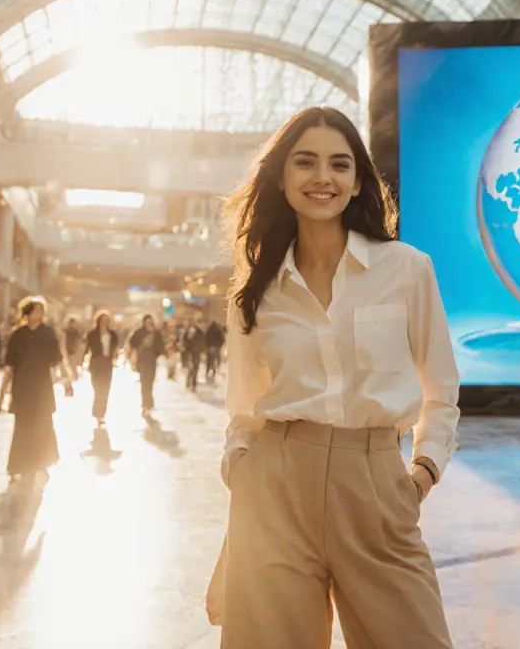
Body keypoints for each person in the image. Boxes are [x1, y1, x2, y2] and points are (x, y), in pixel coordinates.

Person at [209, 107, 459, 647]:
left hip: (375, 486)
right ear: (281, 176)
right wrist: (241, 470)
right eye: (305, 162)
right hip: (273, 491)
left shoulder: (407, 269)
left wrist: (422, 474)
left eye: (339, 165)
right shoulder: (257, 288)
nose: (323, 177)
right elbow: (246, 407)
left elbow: (441, 389)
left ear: (357, 182)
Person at [0, 296, 74, 484]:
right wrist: (1, 397)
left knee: (44, 426)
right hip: (22, 388)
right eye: (37, 310)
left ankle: (41, 464)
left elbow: (58, 359)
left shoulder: (48, 333)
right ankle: (18, 465)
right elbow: (9, 367)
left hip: (43, 387)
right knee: (22, 427)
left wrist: (66, 381)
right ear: (28, 312)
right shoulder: (17, 335)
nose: (40, 314)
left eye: (42, 310)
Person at [83, 310, 120, 427]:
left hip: (107, 363)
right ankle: (97, 411)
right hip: (95, 363)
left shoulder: (112, 334)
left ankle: (100, 414)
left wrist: (115, 357)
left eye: (107, 320)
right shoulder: (92, 334)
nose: (105, 323)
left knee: (105, 390)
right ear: (98, 321)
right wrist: (82, 361)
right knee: (97, 389)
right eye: (103, 320)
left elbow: (116, 348)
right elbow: (86, 348)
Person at [127, 315, 164, 416]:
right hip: (142, 361)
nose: (150, 323)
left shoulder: (156, 333)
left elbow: (161, 346)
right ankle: (147, 404)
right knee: (144, 383)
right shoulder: (139, 332)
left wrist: (156, 353)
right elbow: (132, 344)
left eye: (151, 321)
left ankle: (148, 404)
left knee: (150, 383)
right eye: (148, 321)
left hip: (152, 361)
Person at [182, 317, 206, 390]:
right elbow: (186, 341)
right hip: (191, 352)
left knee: (194, 367)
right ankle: (191, 382)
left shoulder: (198, 331)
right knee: (192, 367)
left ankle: (192, 382)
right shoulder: (192, 330)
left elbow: (201, 341)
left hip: (194, 352)